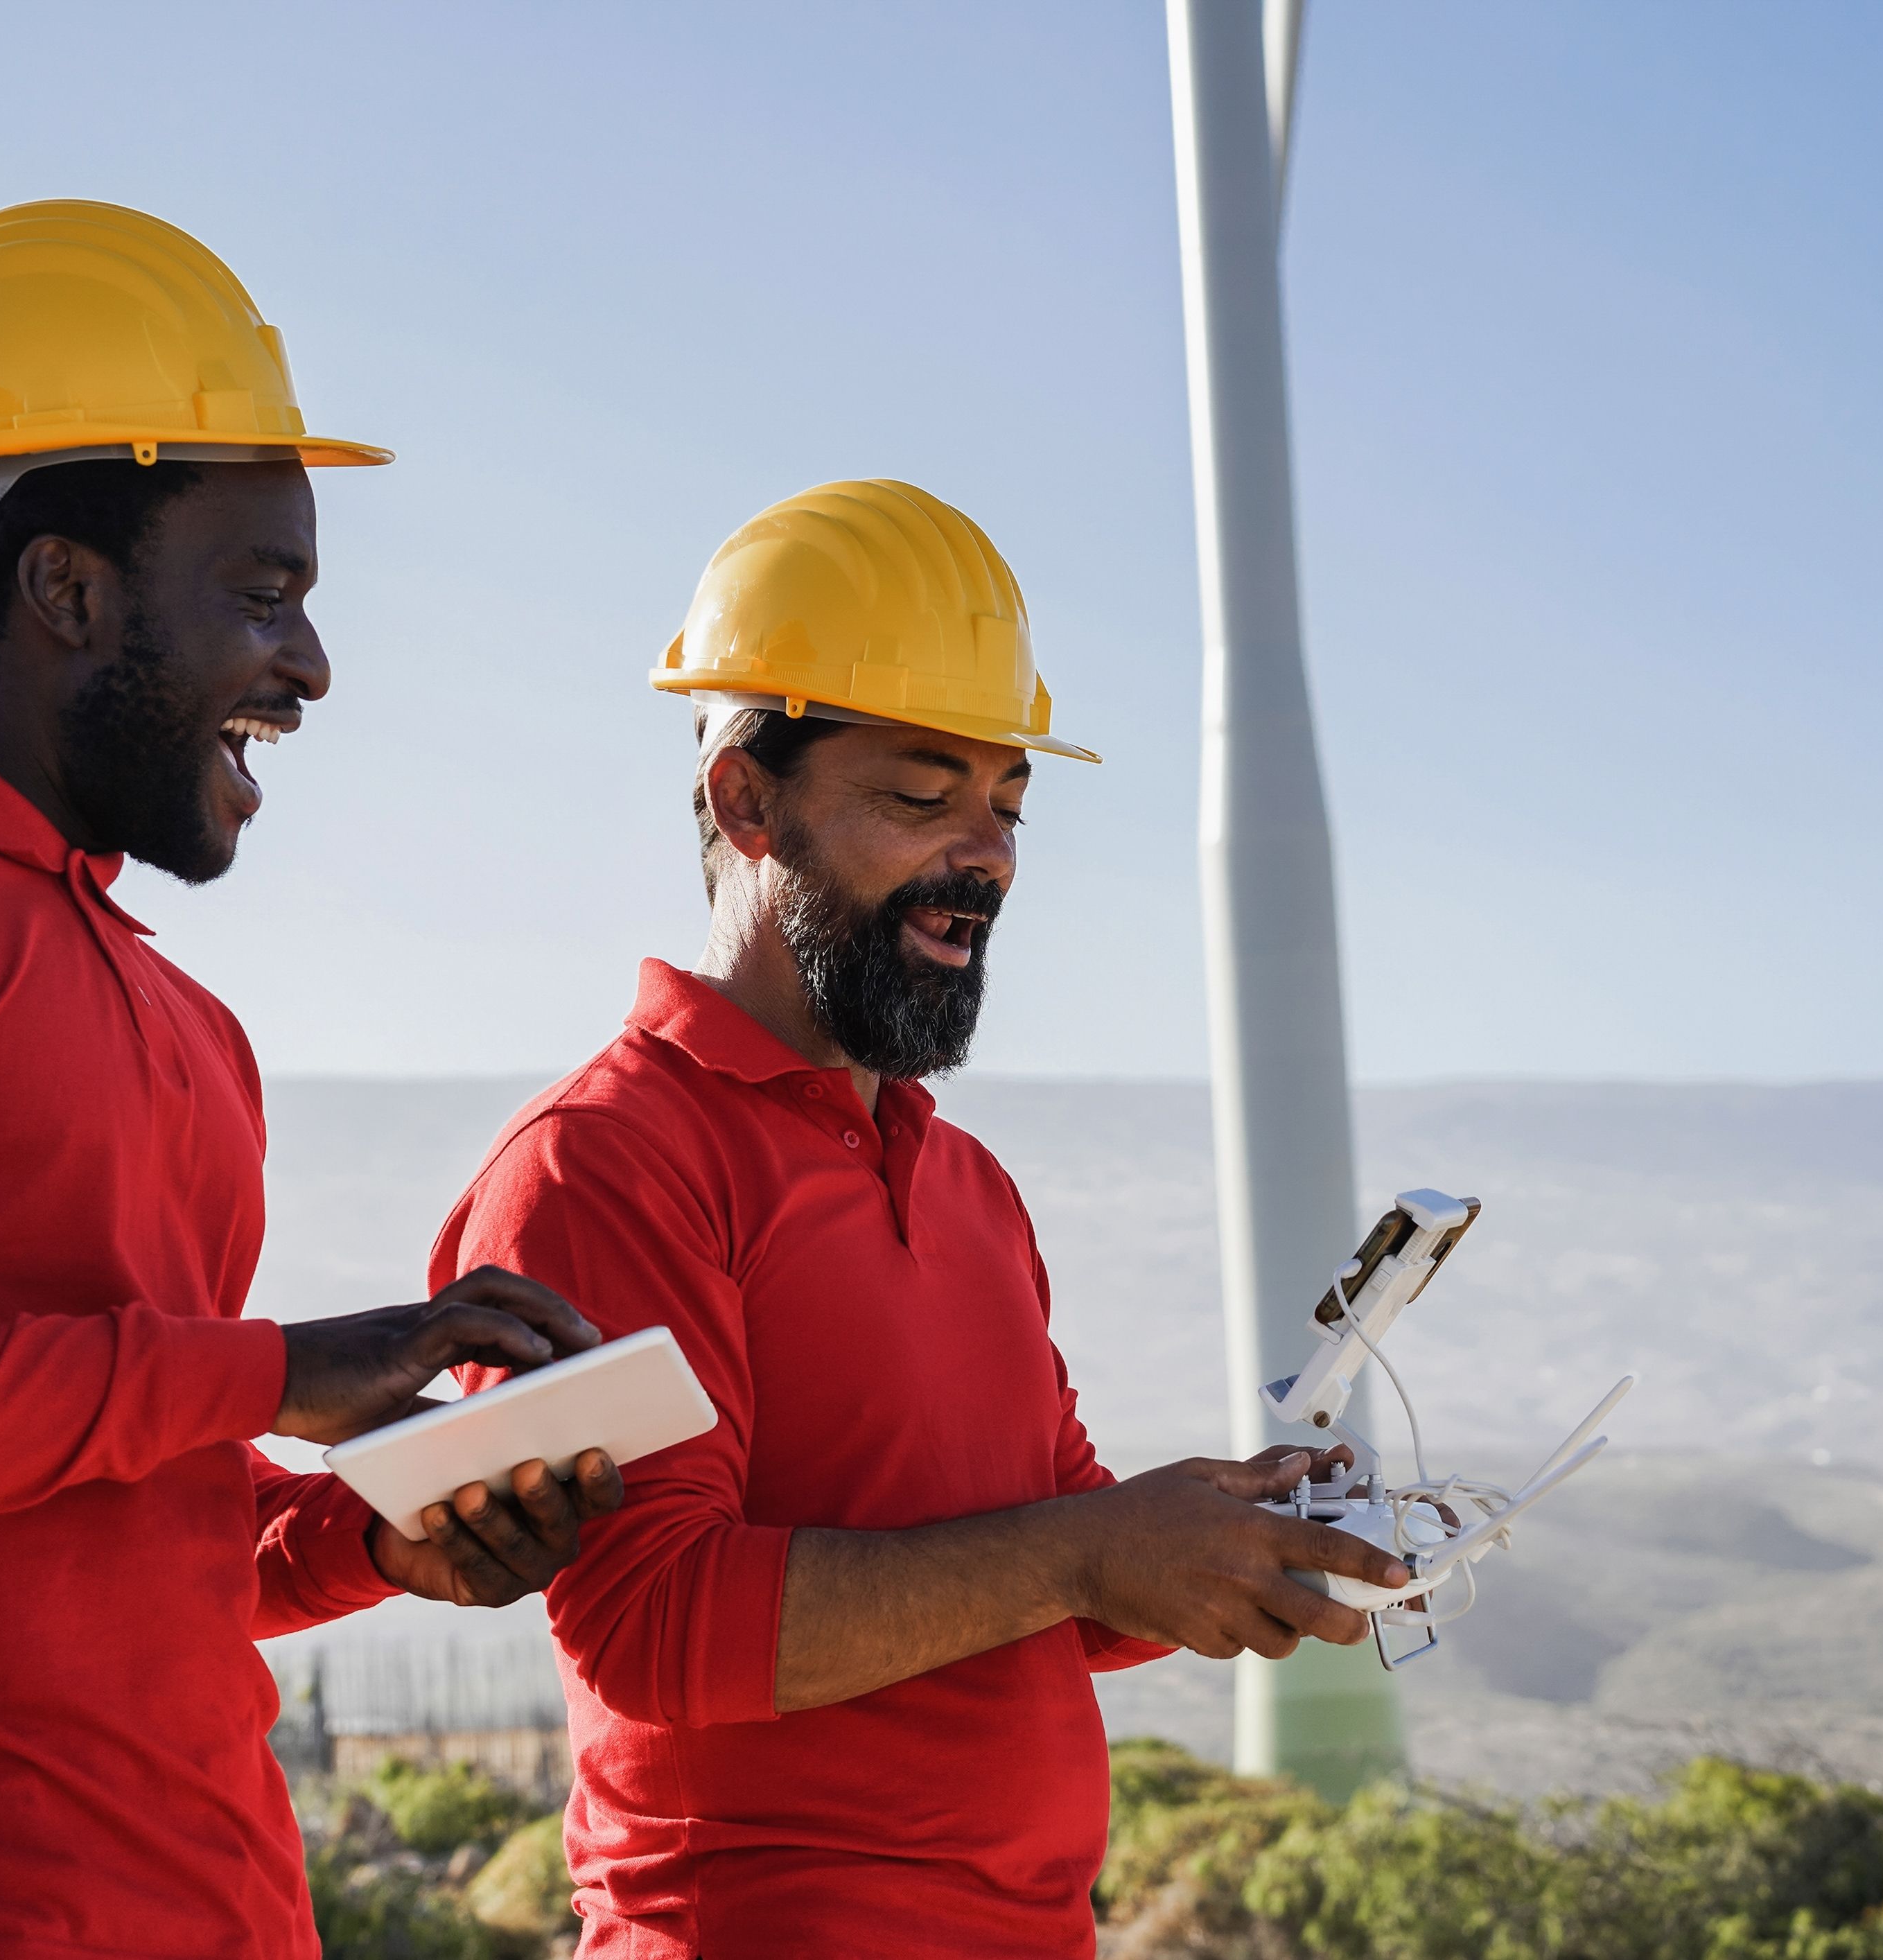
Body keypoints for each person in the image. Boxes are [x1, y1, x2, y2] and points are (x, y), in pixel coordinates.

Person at [0, 200, 623, 1957]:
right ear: (67, 587)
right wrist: (277, 1368)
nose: (309, 666)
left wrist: (382, 1536)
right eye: (265, 596)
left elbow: (133, 1504)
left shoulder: (186, 1024)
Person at [430, 478, 1412, 1954]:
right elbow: (652, 1625)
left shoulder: (968, 1186)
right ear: (743, 797)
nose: (990, 854)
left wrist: (1237, 1535)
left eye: (1010, 804)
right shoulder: (603, 1163)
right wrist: (1089, 1550)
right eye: (922, 794)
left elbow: (1065, 1561)